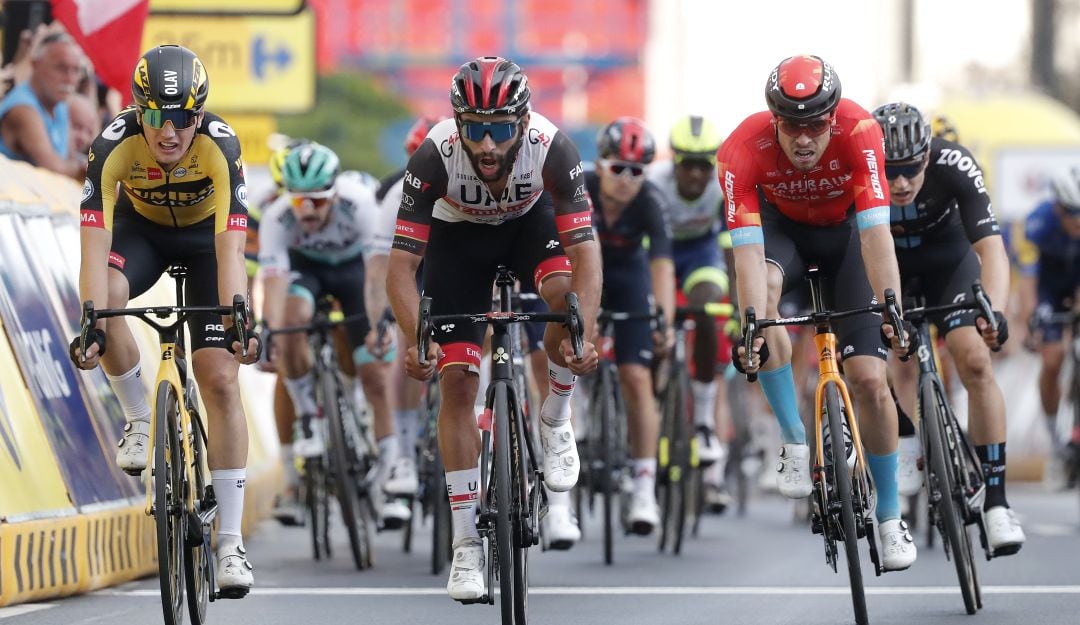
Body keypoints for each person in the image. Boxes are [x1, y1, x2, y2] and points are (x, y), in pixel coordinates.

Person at [387, 56, 600, 601]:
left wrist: (585, 333)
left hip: (530, 227)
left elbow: (587, 255)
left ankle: (555, 416)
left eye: (500, 129)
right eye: (475, 129)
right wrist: (419, 340)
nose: (486, 145)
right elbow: (401, 270)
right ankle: (464, 546)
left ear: (523, 125)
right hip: (458, 240)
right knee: (457, 380)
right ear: (457, 124)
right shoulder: (434, 155)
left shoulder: (554, 148)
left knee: (562, 304)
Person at [69, 45, 259, 595]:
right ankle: (136, 417)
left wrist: (238, 318)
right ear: (138, 112)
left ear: (198, 116)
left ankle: (230, 543)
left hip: (206, 242)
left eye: (181, 118)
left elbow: (230, 251)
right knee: (104, 300)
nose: (168, 131)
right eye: (155, 116)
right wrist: (92, 321)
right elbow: (93, 240)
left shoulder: (222, 146)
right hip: (141, 231)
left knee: (220, 376)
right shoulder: (112, 145)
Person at [720, 54, 916, 571]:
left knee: (871, 381)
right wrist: (750, 326)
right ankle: (792, 439)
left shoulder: (860, 130)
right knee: (761, 302)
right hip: (783, 238)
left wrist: (890, 306)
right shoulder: (742, 148)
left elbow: (876, 236)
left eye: (815, 126)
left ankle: (892, 517)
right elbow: (745, 252)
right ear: (774, 120)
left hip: (847, 239)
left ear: (832, 119)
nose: (803, 140)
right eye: (791, 126)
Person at [873, 101, 1024, 555]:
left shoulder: (953, 161)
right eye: (890, 172)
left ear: (927, 155)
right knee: (895, 356)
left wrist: (994, 311)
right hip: (890, 270)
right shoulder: (859, 170)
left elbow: (992, 249)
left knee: (975, 359)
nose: (900, 183)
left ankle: (996, 503)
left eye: (911, 170)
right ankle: (907, 446)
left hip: (948, 265)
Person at [258, 142, 406, 525]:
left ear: (335, 194)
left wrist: (380, 324)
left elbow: (378, 270)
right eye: (299, 201)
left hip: (356, 271)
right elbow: (272, 281)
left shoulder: (361, 205)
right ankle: (309, 416)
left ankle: (389, 467)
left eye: (318, 202)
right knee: (291, 319)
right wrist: (270, 331)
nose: (306, 210)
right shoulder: (277, 216)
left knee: (374, 370)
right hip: (307, 270)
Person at [590, 117, 676, 534]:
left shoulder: (650, 202)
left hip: (628, 279)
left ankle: (644, 488)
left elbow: (662, 265)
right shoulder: (578, 190)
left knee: (637, 378)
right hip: (582, 275)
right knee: (565, 358)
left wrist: (664, 320)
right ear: (600, 165)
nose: (626, 179)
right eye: (617, 168)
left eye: (636, 171)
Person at [648, 114, 734, 506]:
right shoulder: (654, 184)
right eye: (689, 164)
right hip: (655, 255)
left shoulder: (721, 187)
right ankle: (652, 402)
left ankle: (702, 419)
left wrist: (735, 306)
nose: (697, 174)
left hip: (700, 255)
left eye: (705, 164)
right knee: (650, 324)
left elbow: (731, 247)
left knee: (704, 309)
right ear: (676, 161)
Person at [374, 115, 446, 505]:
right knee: (408, 339)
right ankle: (402, 456)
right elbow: (379, 268)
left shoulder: (470, 184)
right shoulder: (393, 193)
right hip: (409, 268)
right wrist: (381, 317)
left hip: (451, 263)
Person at [1016, 167, 1080, 466]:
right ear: (1057, 206)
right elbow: (1028, 280)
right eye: (1071, 213)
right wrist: (1031, 323)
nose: (1077, 221)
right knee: (1052, 358)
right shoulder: (1038, 222)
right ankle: (1055, 435)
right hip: (1048, 289)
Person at [0, 30, 86, 178]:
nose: (70, 78)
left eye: (76, 70)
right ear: (35, 65)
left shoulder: (59, 104)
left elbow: (70, 158)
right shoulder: (23, 110)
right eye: (61, 68)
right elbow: (54, 168)